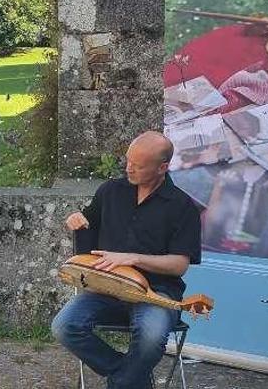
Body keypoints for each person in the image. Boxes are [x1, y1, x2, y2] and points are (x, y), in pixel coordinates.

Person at [51, 131, 202, 389]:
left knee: (151, 337)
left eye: (138, 165)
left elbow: (180, 264)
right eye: (128, 161)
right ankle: (133, 378)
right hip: (106, 288)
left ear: (162, 168)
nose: (129, 168)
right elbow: (88, 229)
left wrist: (133, 258)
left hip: (156, 292)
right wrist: (77, 221)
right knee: (64, 326)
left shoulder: (182, 206)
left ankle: (122, 382)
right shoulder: (110, 191)